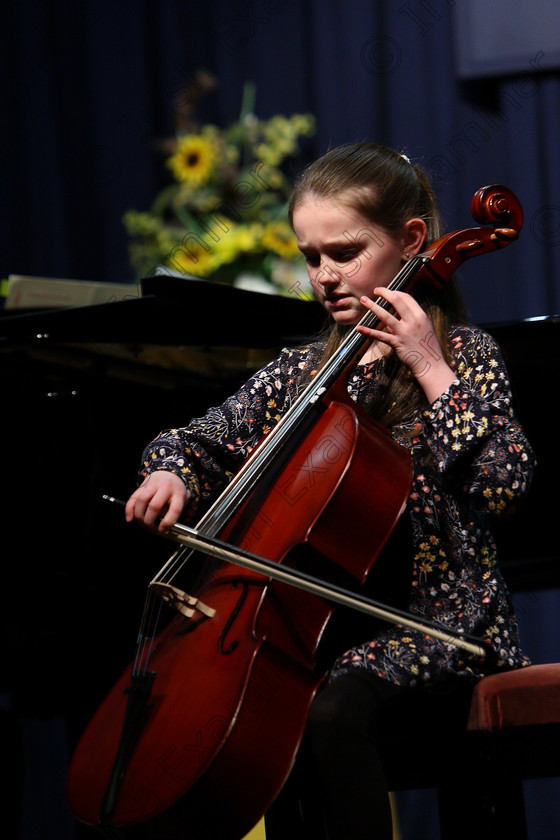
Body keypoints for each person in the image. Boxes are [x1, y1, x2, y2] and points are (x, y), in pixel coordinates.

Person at [125, 143, 535, 839]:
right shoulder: (298, 375)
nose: (324, 276)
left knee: (333, 711)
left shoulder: (464, 357)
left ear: (410, 242)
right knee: (271, 714)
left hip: (441, 626)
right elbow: (193, 440)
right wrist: (168, 470)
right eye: (311, 257)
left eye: (343, 253)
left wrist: (430, 368)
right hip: (329, 627)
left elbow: (505, 481)